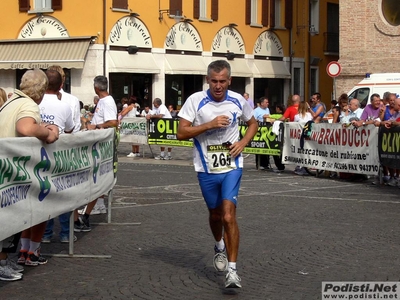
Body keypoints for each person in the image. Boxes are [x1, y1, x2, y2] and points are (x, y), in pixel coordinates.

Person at [177, 60, 258, 289]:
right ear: (207, 80)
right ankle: (219, 245)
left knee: (228, 216)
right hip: (206, 168)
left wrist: (243, 142)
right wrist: (209, 125)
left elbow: (253, 123)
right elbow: (181, 133)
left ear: (229, 81)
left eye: (223, 81)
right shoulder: (196, 100)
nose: (218, 86)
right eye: (214, 81)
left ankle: (233, 272)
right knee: (215, 215)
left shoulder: (238, 100)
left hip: (232, 166)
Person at [0, 69, 59, 280]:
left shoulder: (12, 100)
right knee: (9, 218)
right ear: (41, 91)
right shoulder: (28, 104)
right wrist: (49, 134)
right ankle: (2, 263)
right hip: (10, 172)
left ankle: (5, 260)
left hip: (6, 168)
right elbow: (25, 128)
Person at [75, 76, 118, 230]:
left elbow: (113, 122)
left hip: (101, 148)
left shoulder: (108, 101)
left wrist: (96, 125)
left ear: (96, 88)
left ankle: (87, 213)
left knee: (94, 179)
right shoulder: (102, 101)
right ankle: (86, 213)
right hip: (95, 145)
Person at [40, 69, 76, 244]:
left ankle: (45, 233)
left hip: (38, 156)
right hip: (61, 155)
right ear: (61, 86)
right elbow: (69, 129)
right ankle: (65, 233)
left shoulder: (35, 103)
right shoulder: (64, 105)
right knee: (63, 193)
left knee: (42, 194)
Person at [253, 97, 271, 170]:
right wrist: (261, 119)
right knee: (259, 147)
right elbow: (253, 120)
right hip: (259, 131)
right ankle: (259, 164)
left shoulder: (267, 109)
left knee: (267, 147)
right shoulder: (256, 111)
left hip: (267, 130)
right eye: (266, 102)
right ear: (262, 103)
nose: (267, 104)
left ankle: (266, 164)